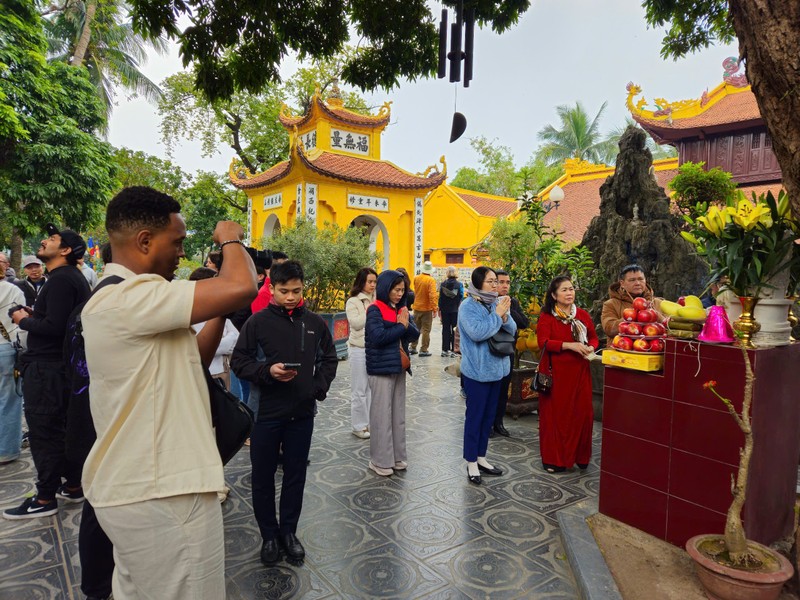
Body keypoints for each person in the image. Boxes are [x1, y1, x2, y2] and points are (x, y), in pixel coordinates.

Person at [80, 186, 258, 598]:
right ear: (144, 241)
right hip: (163, 492)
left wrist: (218, 308)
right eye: (176, 242)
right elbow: (242, 284)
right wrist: (230, 237)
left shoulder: (130, 301)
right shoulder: (130, 297)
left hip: (143, 488)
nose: (182, 254)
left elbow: (189, 361)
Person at [231, 260, 338, 566]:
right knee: (262, 477)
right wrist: (268, 371)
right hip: (265, 414)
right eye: (284, 291)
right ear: (272, 289)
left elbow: (328, 358)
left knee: (295, 475)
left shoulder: (315, 323)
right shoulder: (257, 323)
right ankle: (268, 535)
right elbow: (239, 362)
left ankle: (288, 533)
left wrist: (317, 387)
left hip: (302, 413)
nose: (291, 297)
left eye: (296, 291)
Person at [4, 224, 91, 520]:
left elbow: (54, 329)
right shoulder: (66, 279)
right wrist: (34, 313)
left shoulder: (61, 280)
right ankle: (74, 484)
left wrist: (21, 318)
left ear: (65, 250)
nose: (43, 241)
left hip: (48, 368)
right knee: (60, 427)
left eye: (51, 239)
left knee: (44, 431)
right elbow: (60, 321)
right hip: (57, 367)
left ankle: (44, 498)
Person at [458, 266, 516, 485]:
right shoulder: (468, 306)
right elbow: (477, 333)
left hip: (497, 370)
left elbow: (511, 330)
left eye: (496, 281)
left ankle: (481, 457)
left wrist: (504, 315)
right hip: (477, 372)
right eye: (491, 281)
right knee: (475, 417)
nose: (495, 285)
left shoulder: (494, 303)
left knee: (489, 417)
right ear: (478, 282)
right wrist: (497, 315)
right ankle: (471, 461)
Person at [536, 276, 599, 473]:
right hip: (557, 374)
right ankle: (554, 459)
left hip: (580, 373)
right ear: (554, 295)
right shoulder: (547, 317)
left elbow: (594, 338)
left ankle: (580, 456)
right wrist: (570, 346)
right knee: (557, 418)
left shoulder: (582, 315)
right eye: (564, 290)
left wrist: (590, 347)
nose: (569, 293)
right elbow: (543, 342)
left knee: (583, 414)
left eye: (571, 289)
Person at [364, 269, 419, 476]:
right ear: (385, 288)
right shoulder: (374, 309)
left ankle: (397, 458)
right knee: (381, 416)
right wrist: (400, 325)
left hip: (398, 367)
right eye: (396, 290)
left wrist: (405, 322)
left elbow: (415, 334)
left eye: (402, 290)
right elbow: (378, 337)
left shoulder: (401, 308)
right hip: (380, 368)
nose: (399, 294)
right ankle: (379, 460)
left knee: (397, 416)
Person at [492, 270, 529, 437]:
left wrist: (507, 309)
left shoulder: (512, 302)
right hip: (490, 351)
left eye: (507, 282)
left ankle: (498, 423)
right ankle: (487, 425)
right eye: (501, 282)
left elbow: (524, 322)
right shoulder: (486, 301)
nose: (505, 285)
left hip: (507, 351)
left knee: (502, 390)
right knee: (489, 391)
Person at [190, 267, 240, 390]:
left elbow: (236, 337)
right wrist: (223, 343)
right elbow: (195, 348)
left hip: (221, 372)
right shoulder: (190, 313)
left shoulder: (219, 311)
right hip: (198, 374)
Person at [346, 267, 377, 439]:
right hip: (358, 348)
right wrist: (370, 310)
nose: (372, 285)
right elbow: (356, 323)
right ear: (362, 282)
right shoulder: (354, 301)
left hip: (374, 347)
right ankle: (358, 425)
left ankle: (369, 423)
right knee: (359, 389)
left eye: (374, 282)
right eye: (369, 281)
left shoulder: (377, 299)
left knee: (371, 388)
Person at [0, 260, 25, 465]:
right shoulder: (12, 290)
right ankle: (6, 450)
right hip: (6, 349)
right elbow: (19, 323)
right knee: (9, 400)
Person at [601, 264, 664, 337]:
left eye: (641, 279)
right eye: (632, 280)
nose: (637, 283)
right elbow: (609, 330)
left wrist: (656, 315)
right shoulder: (610, 304)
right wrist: (631, 316)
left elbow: (670, 328)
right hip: (621, 346)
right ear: (622, 283)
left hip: (654, 347)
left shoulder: (657, 302)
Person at [409, 261, 438, 357]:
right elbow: (432, 295)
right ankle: (423, 349)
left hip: (417, 306)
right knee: (426, 330)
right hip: (427, 308)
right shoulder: (431, 280)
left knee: (416, 328)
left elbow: (416, 291)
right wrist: (435, 309)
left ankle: (413, 347)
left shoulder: (416, 278)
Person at [438, 266, 463, 357]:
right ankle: (454, 350)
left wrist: (439, 309)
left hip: (445, 310)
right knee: (455, 330)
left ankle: (445, 350)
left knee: (445, 329)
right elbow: (461, 296)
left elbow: (440, 298)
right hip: (455, 310)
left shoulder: (443, 284)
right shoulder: (459, 284)